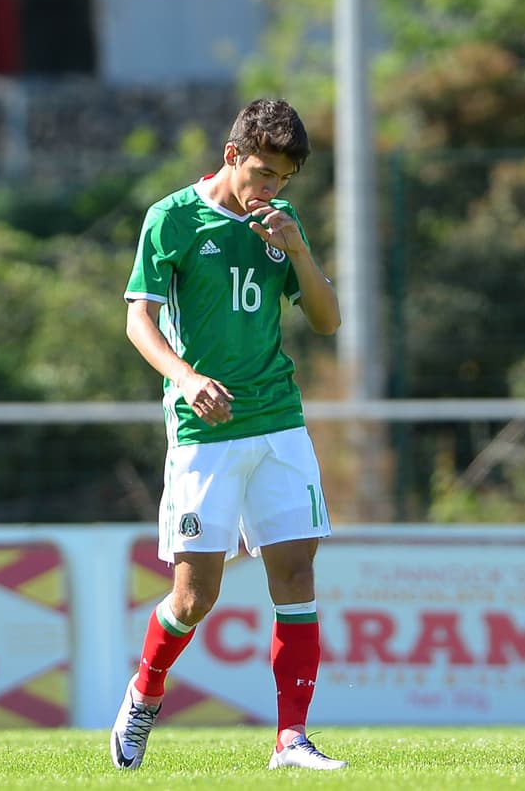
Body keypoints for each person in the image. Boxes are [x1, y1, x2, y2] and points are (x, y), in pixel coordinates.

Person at [110, 99, 347, 771]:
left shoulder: (282, 225)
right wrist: (185, 378)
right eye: (261, 173)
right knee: (194, 597)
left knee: (296, 573)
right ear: (231, 155)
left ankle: (291, 739)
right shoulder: (172, 219)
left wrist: (297, 250)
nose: (268, 189)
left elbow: (327, 321)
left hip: (277, 419)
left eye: (281, 179)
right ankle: (146, 691)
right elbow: (139, 322)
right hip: (202, 428)